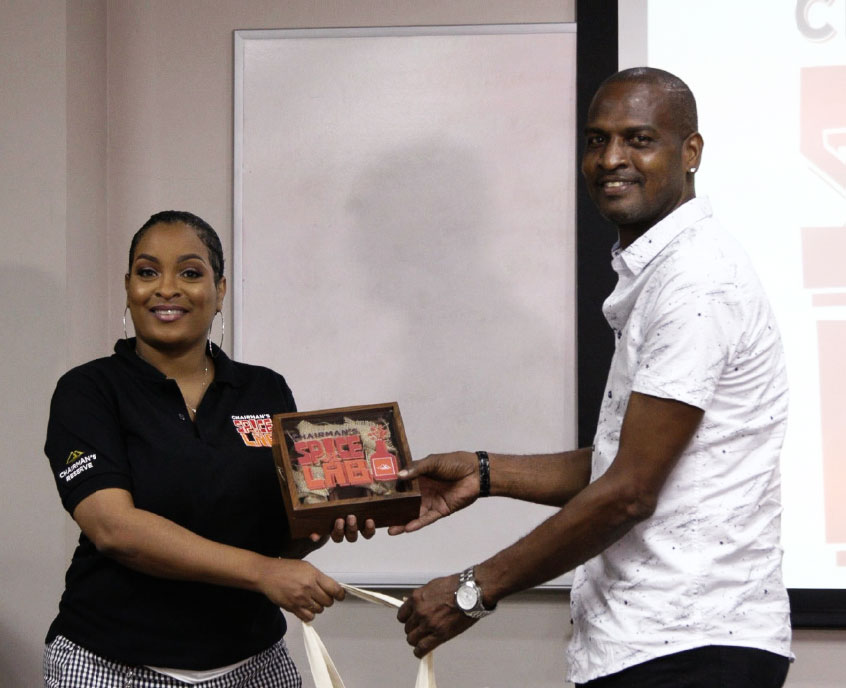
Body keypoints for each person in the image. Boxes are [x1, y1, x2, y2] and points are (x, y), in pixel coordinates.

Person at [390, 68, 793, 688]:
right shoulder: (665, 271)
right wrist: (485, 473)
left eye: (639, 139)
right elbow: (625, 463)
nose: (610, 159)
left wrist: (473, 589)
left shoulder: (696, 283)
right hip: (662, 645)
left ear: (690, 152)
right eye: (596, 140)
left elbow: (629, 491)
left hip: (690, 646)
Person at [43, 210, 375, 687]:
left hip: (252, 664)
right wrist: (264, 572)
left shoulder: (265, 390)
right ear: (128, 287)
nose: (166, 288)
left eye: (190, 273)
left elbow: (279, 534)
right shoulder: (88, 391)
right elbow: (114, 529)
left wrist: (327, 520)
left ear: (220, 291)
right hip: (111, 665)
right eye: (147, 272)